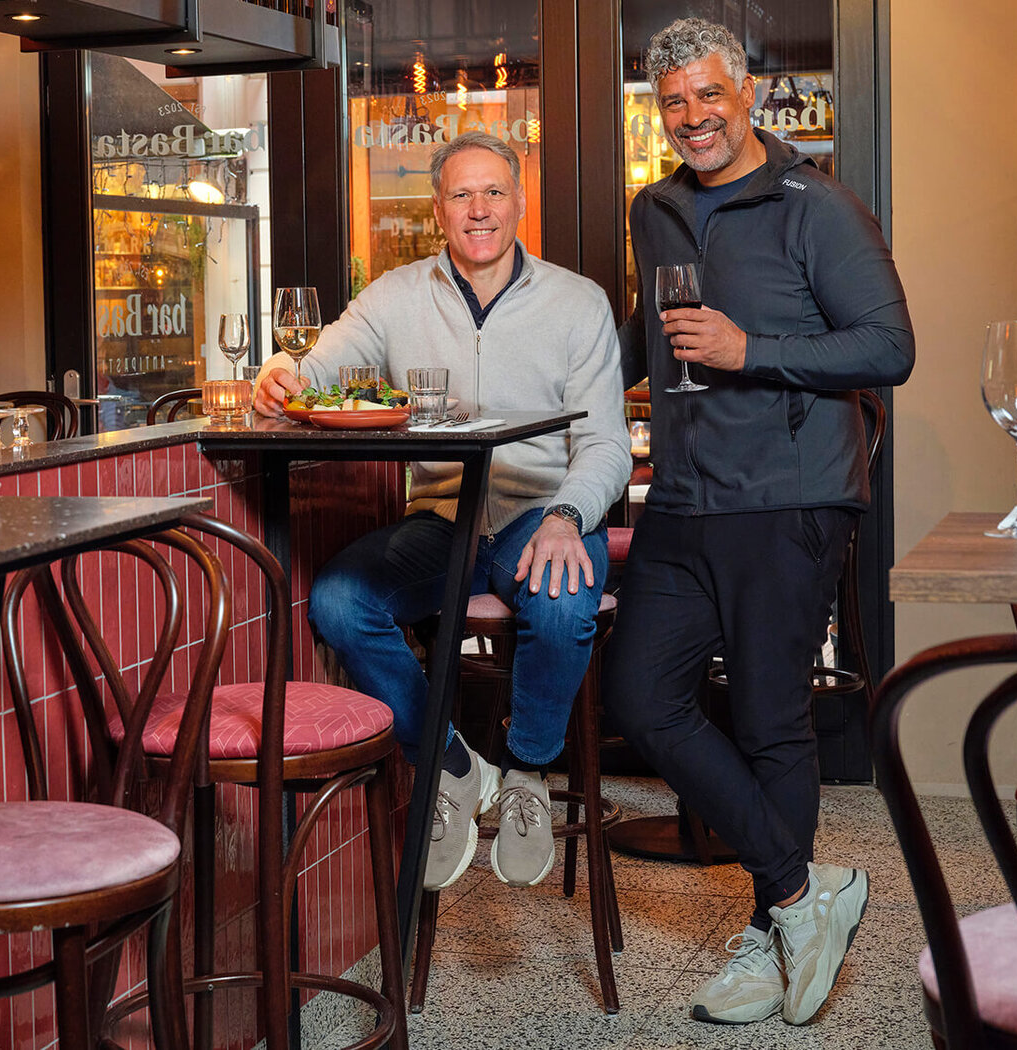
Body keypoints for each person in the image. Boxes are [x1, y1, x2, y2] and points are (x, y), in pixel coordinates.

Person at [605, 17, 914, 1028]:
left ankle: (762, 933)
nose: (691, 118)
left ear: (746, 94)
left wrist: (752, 349)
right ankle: (798, 895)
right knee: (643, 699)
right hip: (685, 493)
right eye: (672, 103)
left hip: (788, 494)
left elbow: (886, 346)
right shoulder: (652, 210)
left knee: (770, 715)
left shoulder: (811, 204)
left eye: (706, 95)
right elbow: (644, 348)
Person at [253, 131, 631, 890]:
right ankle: (453, 762)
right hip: (442, 521)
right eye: (462, 195)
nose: (480, 209)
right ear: (438, 211)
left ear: (521, 203)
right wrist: (284, 370)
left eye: (494, 192)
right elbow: (323, 358)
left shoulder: (576, 303)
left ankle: (526, 775)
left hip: (538, 512)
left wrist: (567, 515)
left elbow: (607, 446)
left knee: (563, 600)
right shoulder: (395, 295)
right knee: (337, 599)